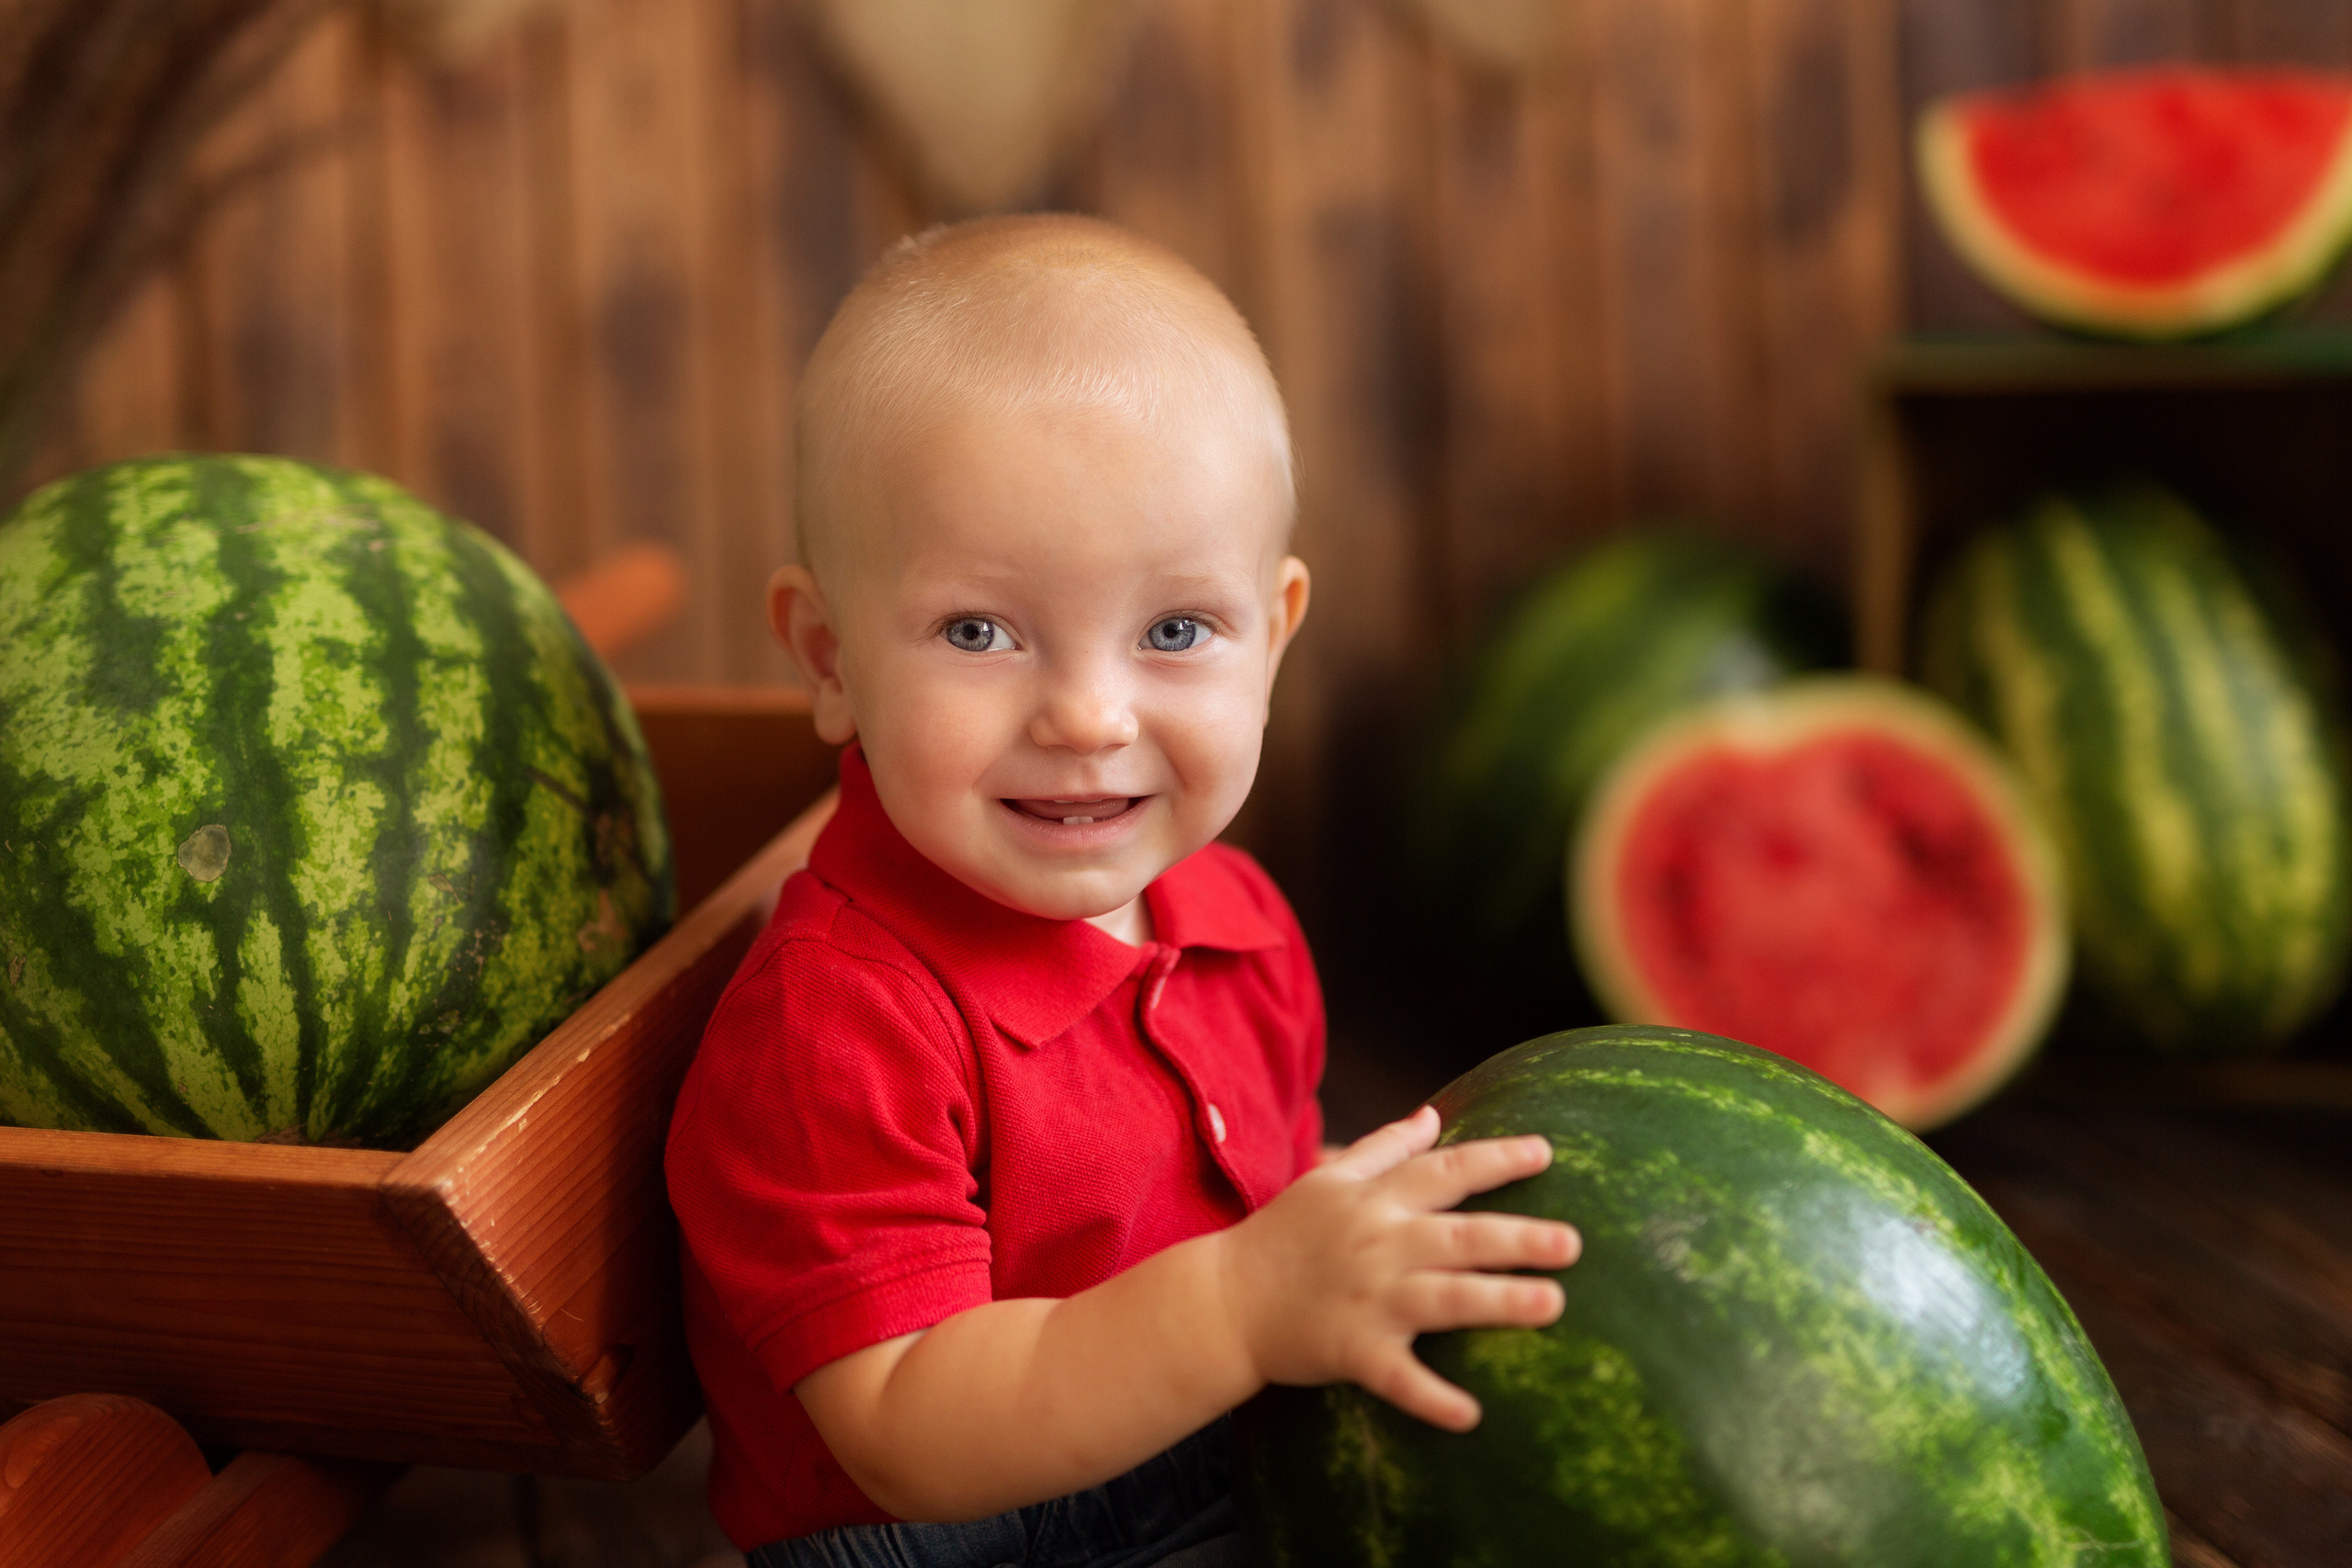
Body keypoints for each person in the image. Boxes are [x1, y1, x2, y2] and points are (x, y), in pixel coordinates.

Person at [664, 214, 1581, 1568]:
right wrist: (1241, 1309)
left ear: (1272, 637)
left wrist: (1353, 1242)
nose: (1089, 715)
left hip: (1224, 1451)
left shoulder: (1239, 923)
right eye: (981, 631)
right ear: (829, 655)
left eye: (1174, 631)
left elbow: (1259, 1197)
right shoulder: (837, 1024)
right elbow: (906, 1425)